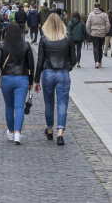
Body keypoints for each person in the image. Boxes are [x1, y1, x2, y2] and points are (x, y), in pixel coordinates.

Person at [0, 23, 34, 145]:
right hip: (22, 79)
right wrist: (31, 82)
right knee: (19, 107)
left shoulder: (2, 45)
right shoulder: (26, 46)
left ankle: (11, 132)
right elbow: (31, 66)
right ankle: (18, 133)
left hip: (6, 79)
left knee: (9, 106)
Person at [34, 13, 76, 146]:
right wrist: (66, 68)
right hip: (63, 73)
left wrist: (36, 80)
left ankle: (50, 129)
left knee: (49, 103)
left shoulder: (44, 39)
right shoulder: (68, 38)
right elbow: (73, 60)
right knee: (62, 103)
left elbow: (40, 61)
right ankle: (60, 133)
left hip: (48, 73)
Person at [86, 3, 110, 69]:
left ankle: (96, 61)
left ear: (94, 7)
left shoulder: (91, 14)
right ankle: (99, 61)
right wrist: (106, 31)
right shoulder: (104, 14)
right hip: (102, 33)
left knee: (95, 47)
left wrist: (89, 32)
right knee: (100, 47)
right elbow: (107, 24)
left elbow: (88, 24)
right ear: (100, 7)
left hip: (94, 33)